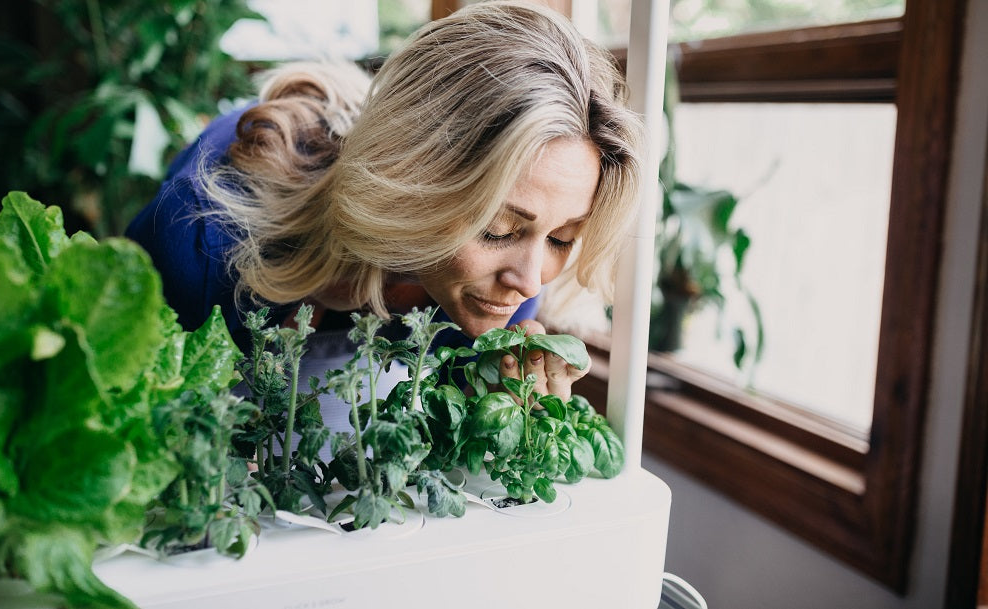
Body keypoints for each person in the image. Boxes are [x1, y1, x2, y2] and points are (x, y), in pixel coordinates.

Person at [126, 0, 642, 405]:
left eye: (560, 238)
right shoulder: (203, 239)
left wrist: (491, 404)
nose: (529, 282)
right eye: (497, 230)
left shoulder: (503, 287)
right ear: (413, 188)